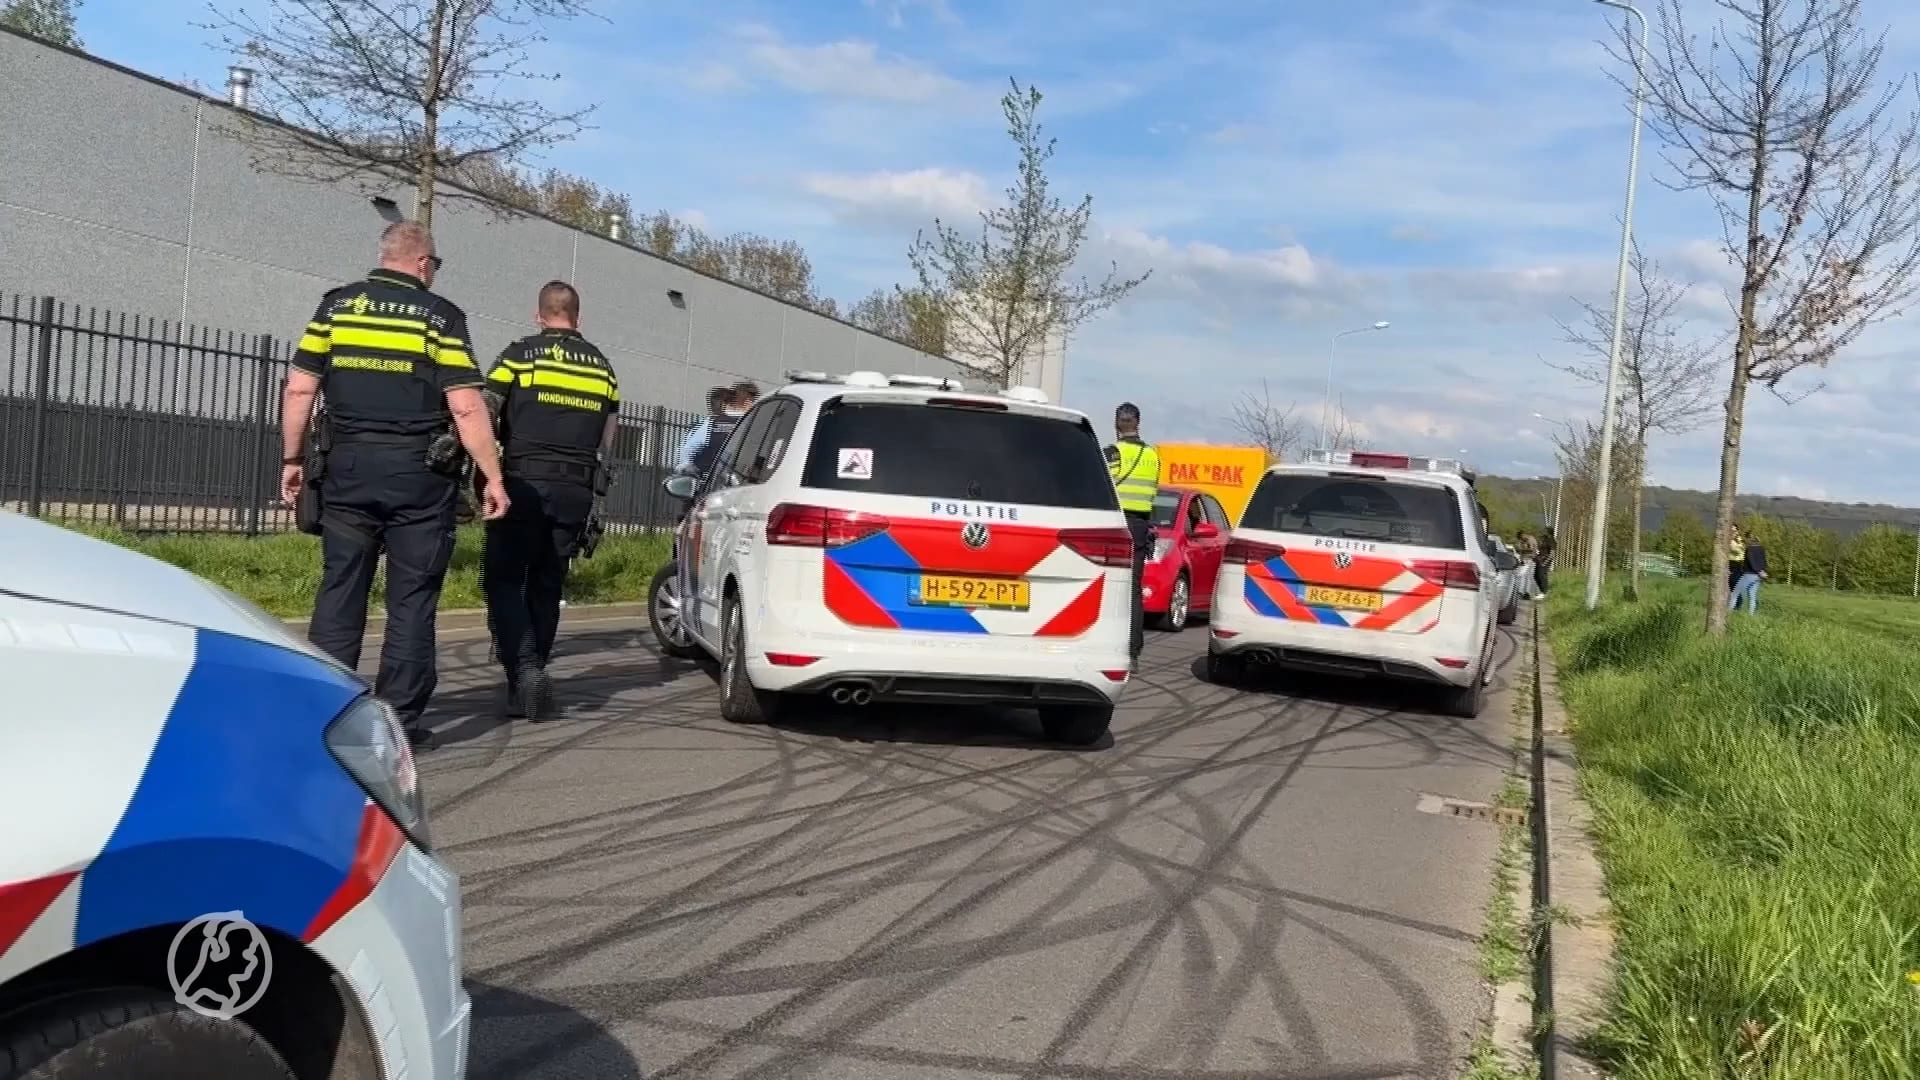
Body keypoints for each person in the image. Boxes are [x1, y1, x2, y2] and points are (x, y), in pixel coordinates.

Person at [279, 221, 509, 749]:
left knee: (341, 588)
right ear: (424, 263)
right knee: (412, 599)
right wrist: (491, 476)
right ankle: (399, 722)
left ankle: (325, 712)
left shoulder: (336, 308)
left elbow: (299, 390)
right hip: (418, 478)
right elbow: (466, 404)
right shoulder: (440, 316)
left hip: (347, 470)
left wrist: (292, 458)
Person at [480, 281, 621, 720]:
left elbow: (485, 408)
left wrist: (484, 471)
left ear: (539, 315)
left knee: (504, 581)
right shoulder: (603, 368)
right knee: (548, 583)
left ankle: (523, 671)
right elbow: (609, 437)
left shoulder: (520, 354)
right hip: (575, 490)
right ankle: (532, 673)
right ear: (578, 318)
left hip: (523, 483)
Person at [1103, 402, 1161, 668]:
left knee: (1105, 583)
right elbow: (1153, 493)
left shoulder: (1113, 452)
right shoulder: (1152, 455)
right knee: (1133, 589)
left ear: (1117, 423)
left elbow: (1104, 486)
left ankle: (1104, 643)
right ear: (1138, 423)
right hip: (1139, 526)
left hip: (1114, 523)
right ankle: (1132, 652)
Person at [1731, 531, 1768, 614]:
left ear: (1749, 539)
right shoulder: (1761, 548)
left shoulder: (1749, 549)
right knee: (1752, 596)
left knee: (1735, 593)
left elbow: (1751, 561)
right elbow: (1764, 562)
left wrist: (1758, 571)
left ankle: (1728, 613)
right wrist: (1762, 571)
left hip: (1749, 574)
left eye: (1745, 539)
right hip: (1758, 576)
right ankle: (1751, 615)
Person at [1534, 526, 1556, 595]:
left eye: (1545, 531)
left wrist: (1545, 562)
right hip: (1540, 559)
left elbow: (1552, 553)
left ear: (1549, 532)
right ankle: (1541, 591)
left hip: (1545, 560)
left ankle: (1544, 592)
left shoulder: (1552, 541)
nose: (1543, 532)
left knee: (1542, 576)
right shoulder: (1545, 539)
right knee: (1536, 575)